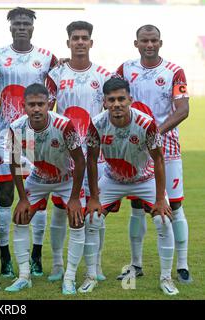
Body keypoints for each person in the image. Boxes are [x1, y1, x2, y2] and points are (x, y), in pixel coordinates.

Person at [85, 77, 178, 295]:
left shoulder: (146, 123)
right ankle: (90, 276)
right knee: (92, 218)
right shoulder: (97, 123)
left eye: (121, 99)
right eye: (111, 100)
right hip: (113, 179)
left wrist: (159, 199)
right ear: (104, 102)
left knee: (163, 220)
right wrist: (94, 198)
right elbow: (90, 159)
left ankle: (166, 278)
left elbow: (158, 160)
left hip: (144, 179)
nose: (116, 104)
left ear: (130, 100)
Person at [115, 24, 191, 283]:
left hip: (166, 147)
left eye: (154, 40)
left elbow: (183, 109)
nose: (149, 45)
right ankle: (136, 264)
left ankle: (182, 265)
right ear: (136, 43)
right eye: (144, 41)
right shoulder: (126, 69)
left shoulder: (174, 71)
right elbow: (110, 93)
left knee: (175, 206)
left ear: (161, 43)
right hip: (136, 148)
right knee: (137, 206)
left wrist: (155, 131)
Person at [0, 7, 58, 278]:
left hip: (37, 139)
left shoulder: (47, 58)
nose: (21, 27)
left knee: (38, 199)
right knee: (6, 195)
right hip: (5, 136)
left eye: (26, 23)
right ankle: (5, 257)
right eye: (17, 23)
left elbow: (54, 91)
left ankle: (36, 256)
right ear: (10, 27)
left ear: (33, 27)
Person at [5, 83, 85, 294]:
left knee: (77, 221)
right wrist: (22, 198)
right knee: (20, 217)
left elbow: (80, 160)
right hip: (38, 178)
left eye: (41, 104)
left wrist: (75, 197)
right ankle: (24, 276)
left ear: (50, 104)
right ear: (24, 106)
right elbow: (13, 163)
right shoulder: (16, 128)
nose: (37, 109)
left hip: (67, 179)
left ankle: (69, 277)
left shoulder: (64, 125)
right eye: (32, 105)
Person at [47, 21, 111, 283]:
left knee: (95, 211)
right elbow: (48, 112)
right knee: (61, 210)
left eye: (85, 38)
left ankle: (94, 266)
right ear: (68, 43)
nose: (80, 42)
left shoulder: (104, 76)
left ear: (91, 43)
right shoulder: (56, 74)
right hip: (65, 154)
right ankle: (56, 264)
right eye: (76, 38)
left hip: (97, 155)